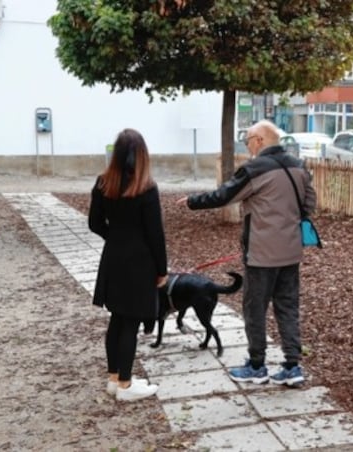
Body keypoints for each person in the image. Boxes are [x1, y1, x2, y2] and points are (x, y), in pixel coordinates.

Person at [176, 120, 316, 387]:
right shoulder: (299, 166)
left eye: (248, 138)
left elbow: (224, 195)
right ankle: (292, 365)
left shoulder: (255, 169)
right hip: (291, 251)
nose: (247, 144)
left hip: (261, 254)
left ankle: (256, 365)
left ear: (260, 140)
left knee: (254, 309)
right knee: (288, 306)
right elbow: (309, 204)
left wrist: (192, 201)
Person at [89, 128, 168, 402]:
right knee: (130, 323)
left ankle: (114, 379)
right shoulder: (146, 187)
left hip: (113, 258)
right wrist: (162, 270)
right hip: (140, 262)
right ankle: (125, 384)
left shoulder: (102, 182)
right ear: (142, 155)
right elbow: (155, 235)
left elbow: (94, 223)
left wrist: (116, 237)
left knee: (117, 319)